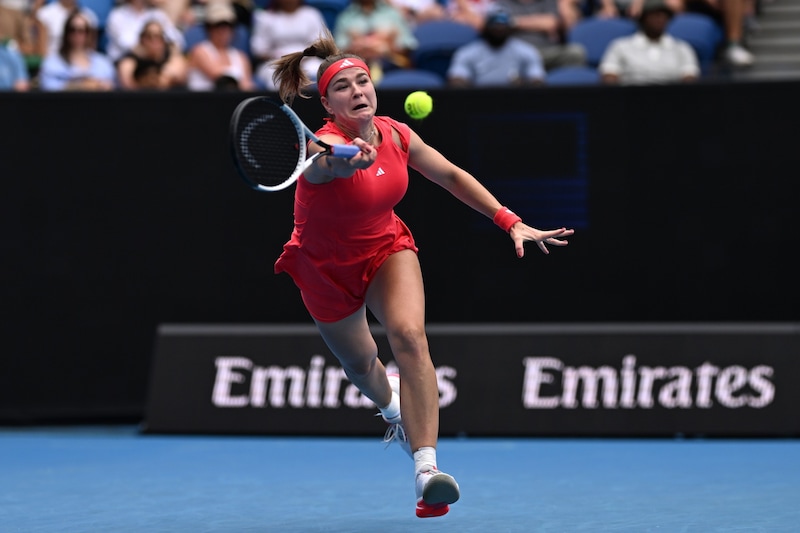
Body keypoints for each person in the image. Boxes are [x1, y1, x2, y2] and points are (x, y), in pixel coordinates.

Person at [270, 29, 574, 518]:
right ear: (327, 102)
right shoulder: (323, 144)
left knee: (410, 337)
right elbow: (324, 165)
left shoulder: (395, 133)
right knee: (362, 365)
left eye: (363, 81)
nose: (357, 91)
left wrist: (510, 221)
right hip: (324, 268)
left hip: (387, 249)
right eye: (343, 86)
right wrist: (346, 158)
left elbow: (451, 174)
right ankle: (391, 407)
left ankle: (427, 471)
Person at [599, 0, 699, 84]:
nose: (659, 20)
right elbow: (609, 75)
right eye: (654, 15)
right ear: (643, 18)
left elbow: (690, 78)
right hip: (630, 101)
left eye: (664, 16)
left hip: (672, 101)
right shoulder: (620, 46)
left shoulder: (682, 48)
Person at [447, 9, 546, 86]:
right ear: (486, 27)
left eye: (502, 25)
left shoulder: (527, 51)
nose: (499, 29)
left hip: (517, 104)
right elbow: (457, 79)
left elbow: (537, 80)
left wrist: (526, 85)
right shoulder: (466, 53)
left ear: (510, 28)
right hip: (479, 103)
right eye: (494, 25)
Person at [249, 0, 327, 91]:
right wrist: (285, 60)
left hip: (308, 60)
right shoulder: (265, 17)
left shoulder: (311, 14)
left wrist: (300, 58)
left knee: (320, 71)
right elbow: (258, 49)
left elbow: (321, 43)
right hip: (277, 62)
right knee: (274, 77)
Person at [495, 0, 588, 70]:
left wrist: (515, 22)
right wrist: (539, 22)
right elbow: (499, 24)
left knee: (576, 53)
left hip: (546, 51)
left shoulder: (548, 1)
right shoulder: (504, 2)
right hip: (517, 53)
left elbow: (551, 22)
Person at [333, 0, 418, 76]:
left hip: (392, 68)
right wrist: (357, 47)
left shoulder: (393, 13)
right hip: (355, 69)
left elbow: (408, 45)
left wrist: (388, 46)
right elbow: (337, 51)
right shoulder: (345, 17)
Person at [38, 10, 116, 90]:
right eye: (72, 30)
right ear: (66, 33)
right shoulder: (52, 62)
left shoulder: (103, 63)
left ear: (89, 34)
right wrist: (80, 85)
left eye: (82, 30)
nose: (77, 35)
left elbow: (112, 86)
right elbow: (48, 86)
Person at [186, 0, 255, 90]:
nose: (223, 31)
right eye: (218, 26)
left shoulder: (241, 57)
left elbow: (248, 86)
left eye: (228, 26)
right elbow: (218, 76)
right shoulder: (199, 51)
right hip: (202, 102)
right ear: (209, 29)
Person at [115, 19, 188, 89]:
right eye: (149, 36)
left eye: (158, 36)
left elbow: (176, 78)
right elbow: (128, 87)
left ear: (164, 40)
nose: (154, 41)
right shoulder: (130, 61)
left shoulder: (173, 59)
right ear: (142, 39)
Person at [105, 0, 185, 63]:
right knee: (127, 65)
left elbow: (177, 39)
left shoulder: (157, 14)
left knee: (177, 63)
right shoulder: (117, 15)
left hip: (158, 61)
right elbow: (129, 46)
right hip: (128, 61)